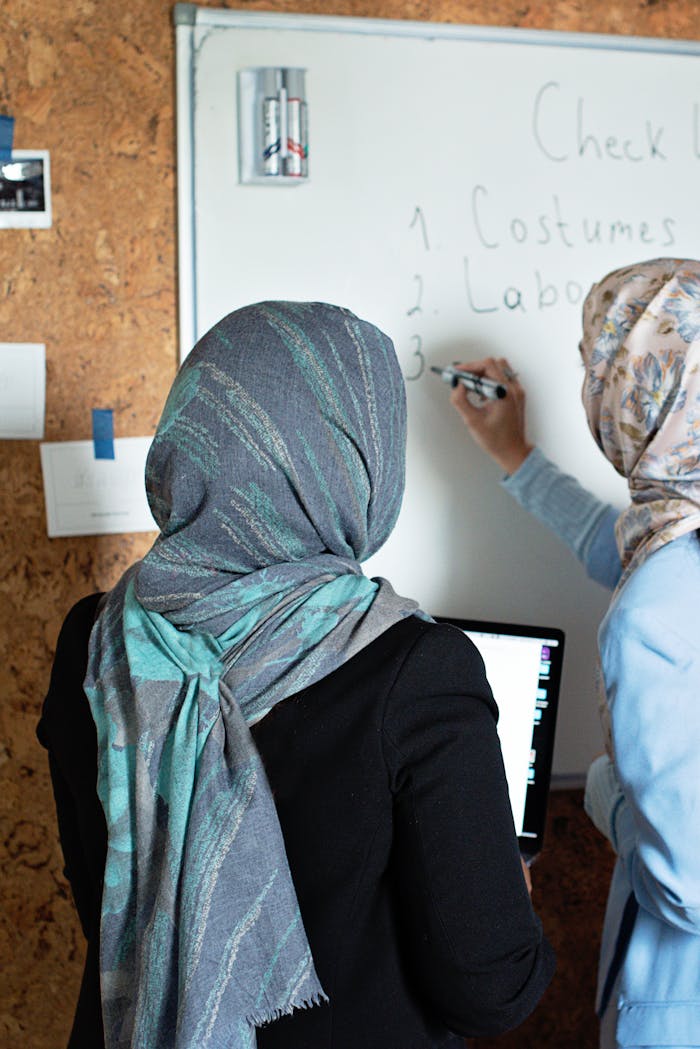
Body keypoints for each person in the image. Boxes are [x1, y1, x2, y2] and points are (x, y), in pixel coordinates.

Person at [38, 301, 554, 1049]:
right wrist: (511, 884)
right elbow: (490, 988)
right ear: (362, 461)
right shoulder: (417, 672)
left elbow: (116, 904)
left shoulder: (95, 637)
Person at [448, 259, 700, 1049]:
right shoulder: (673, 547)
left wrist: (602, 793)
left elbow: (688, 883)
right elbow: (622, 547)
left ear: (632, 397)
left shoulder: (655, 608)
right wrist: (513, 453)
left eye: (598, 365)